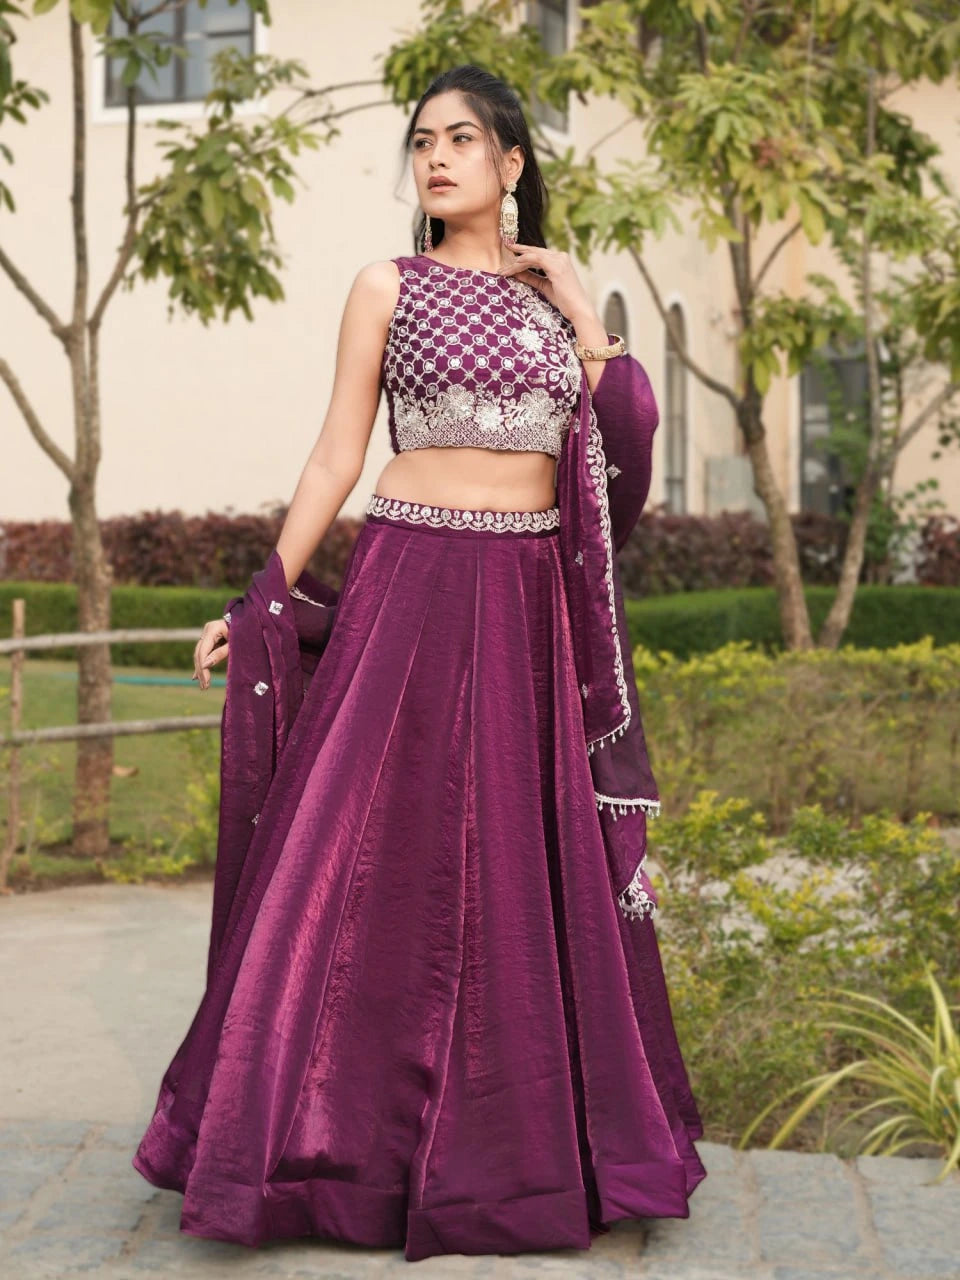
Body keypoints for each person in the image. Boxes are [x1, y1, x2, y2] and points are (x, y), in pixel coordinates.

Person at [131, 63, 707, 1264]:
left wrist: (591, 322)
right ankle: (305, 1141)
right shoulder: (385, 286)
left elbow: (627, 464)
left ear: (512, 164)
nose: (437, 158)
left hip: (524, 609)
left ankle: (515, 1159)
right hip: (407, 584)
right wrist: (269, 593)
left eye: (464, 140)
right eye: (423, 141)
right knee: (344, 857)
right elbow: (340, 449)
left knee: (516, 871)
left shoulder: (560, 308)